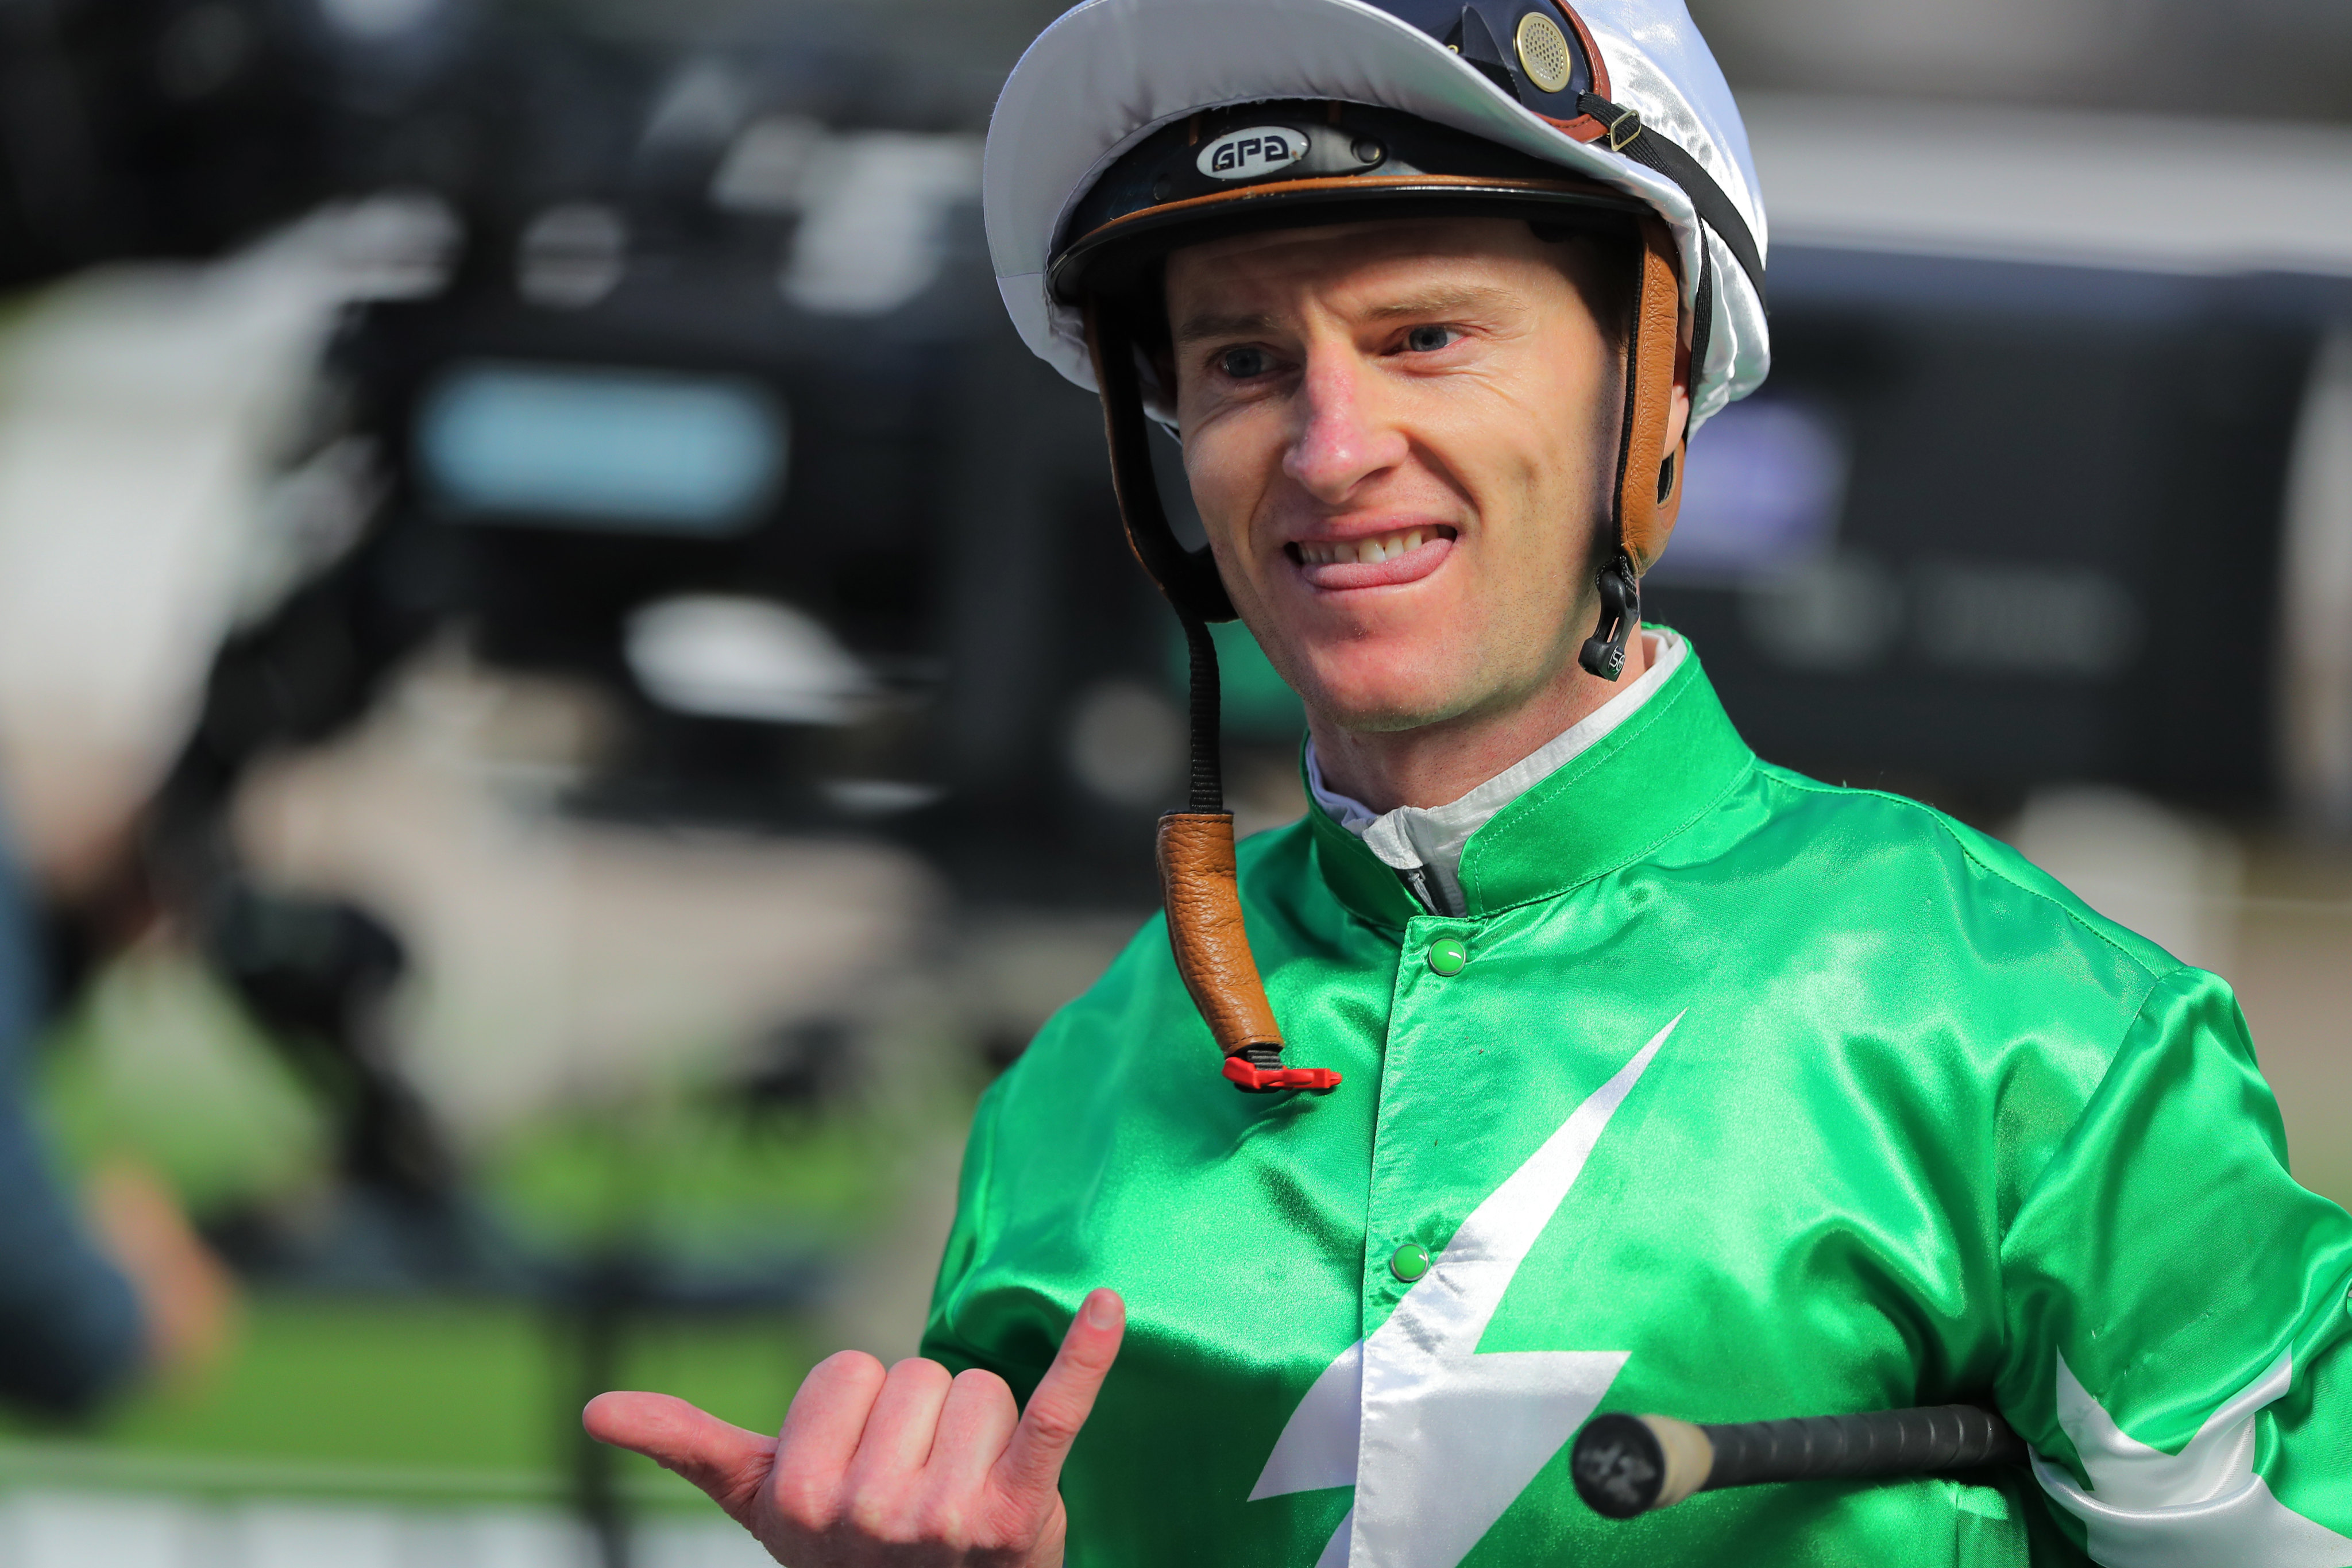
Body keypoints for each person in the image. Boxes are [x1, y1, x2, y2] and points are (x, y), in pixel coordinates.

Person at [584, 0, 2352, 1562]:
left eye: (1428, 335)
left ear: (1650, 393)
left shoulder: (2031, 1032)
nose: (1333, 449)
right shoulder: (1076, 1087)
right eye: (1245, 362)